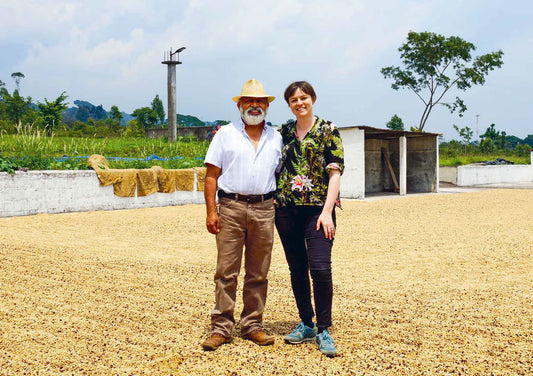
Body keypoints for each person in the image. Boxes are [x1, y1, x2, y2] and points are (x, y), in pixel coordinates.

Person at [201, 79, 282, 351]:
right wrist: (212, 211)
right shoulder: (225, 134)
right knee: (226, 271)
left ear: (267, 106)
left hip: (264, 208)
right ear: (239, 104)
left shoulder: (276, 137)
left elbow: (280, 174)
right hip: (231, 208)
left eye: (260, 101)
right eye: (249, 100)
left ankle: (252, 324)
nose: (255, 105)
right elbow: (211, 175)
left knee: (259, 271)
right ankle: (221, 327)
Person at [275, 81, 344, 357]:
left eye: (303, 98)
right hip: (286, 209)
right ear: (289, 105)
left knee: (320, 268)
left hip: (318, 210)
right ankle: (306, 322)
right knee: (297, 268)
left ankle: (324, 328)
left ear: (313, 99)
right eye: (293, 100)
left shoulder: (328, 130)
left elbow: (336, 171)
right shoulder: (283, 132)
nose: (299, 103)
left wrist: (327, 211)